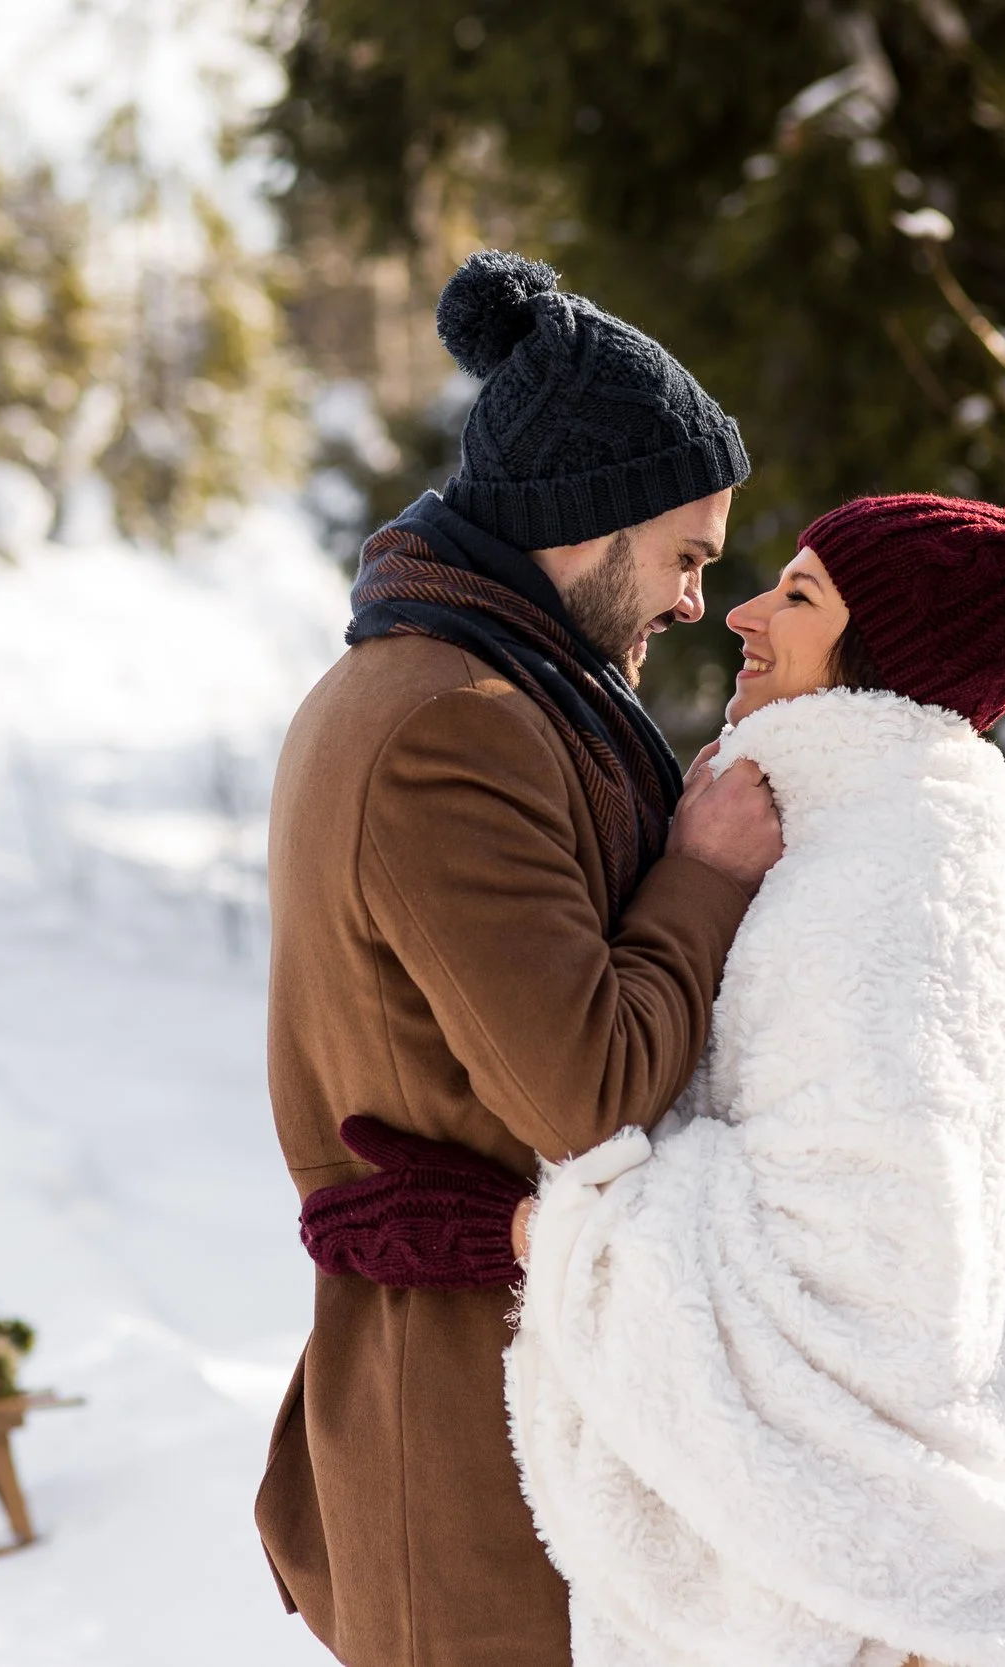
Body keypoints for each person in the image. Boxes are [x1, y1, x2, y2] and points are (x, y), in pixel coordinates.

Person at [309, 475, 1005, 1667]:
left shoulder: (880, 884)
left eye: (800, 597)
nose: (742, 611)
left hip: (883, 1605)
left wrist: (524, 1235)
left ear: (881, 657)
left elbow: (871, 1285)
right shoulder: (885, 835)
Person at [258, 250, 784, 1667]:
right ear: (588, 520)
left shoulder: (470, 687)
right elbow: (584, 1090)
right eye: (685, 554)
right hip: (472, 1443)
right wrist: (703, 871)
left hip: (523, 1406)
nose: (695, 600)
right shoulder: (454, 724)